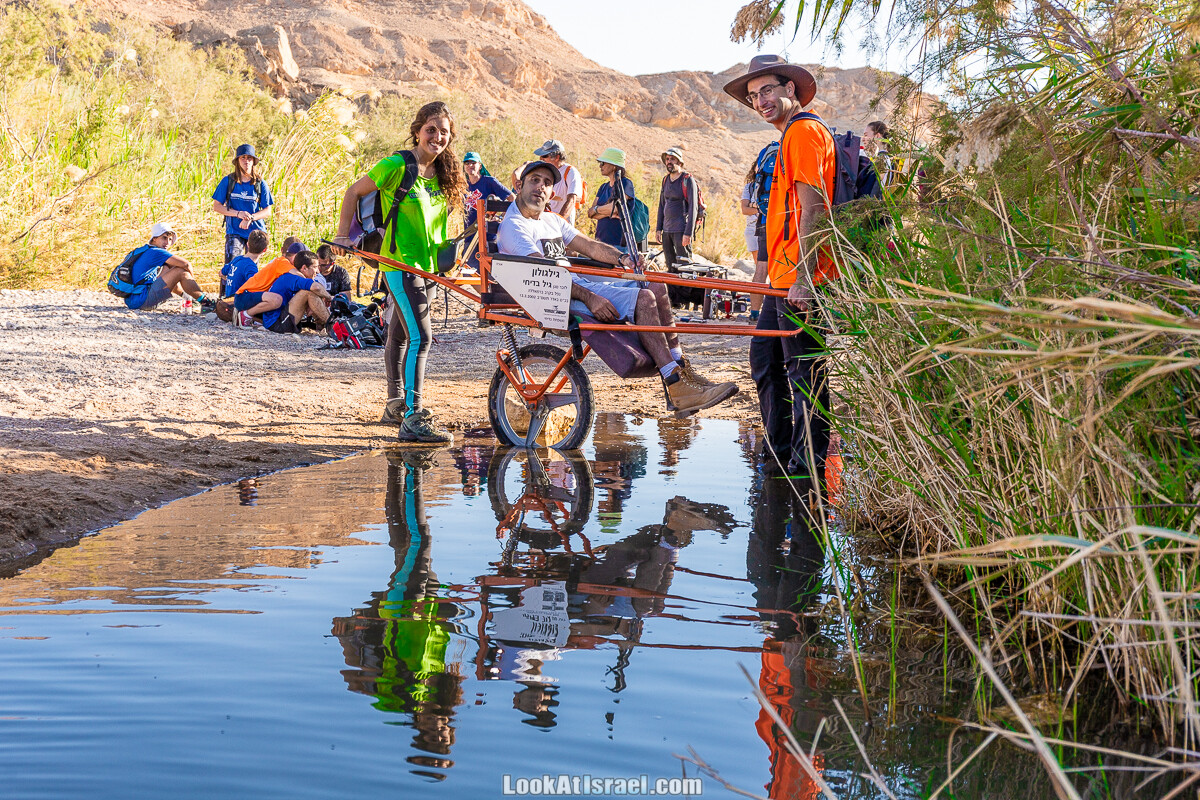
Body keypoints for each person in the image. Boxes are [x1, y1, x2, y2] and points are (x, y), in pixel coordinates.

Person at [495, 160, 737, 417]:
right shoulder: (515, 226)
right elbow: (546, 275)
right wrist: (590, 298)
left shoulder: (551, 220)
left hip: (573, 283)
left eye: (547, 183)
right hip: (549, 295)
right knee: (643, 299)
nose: (540, 187)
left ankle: (681, 368)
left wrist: (622, 259)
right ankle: (676, 386)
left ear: (553, 192)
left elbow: (589, 245)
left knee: (655, 284)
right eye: (535, 180)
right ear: (519, 185)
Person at [723, 54, 838, 484]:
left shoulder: (804, 133)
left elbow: (815, 208)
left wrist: (806, 281)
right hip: (783, 277)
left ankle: (808, 468)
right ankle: (779, 456)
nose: (760, 101)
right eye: (753, 96)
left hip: (804, 279)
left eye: (767, 90)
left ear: (790, 89)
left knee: (804, 373)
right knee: (766, 359)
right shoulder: (790, 136)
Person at [334, 101, 465, 443]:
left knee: (400, 334)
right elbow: (353, 192)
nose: (437, 137)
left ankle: (395, 405)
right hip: (399, 264)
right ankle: (414, 416)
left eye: (444, 132)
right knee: (422, 336)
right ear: (418, 130)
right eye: (431, 130)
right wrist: (341, 235)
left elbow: (435, 228)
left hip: (430, 269)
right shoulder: (397, 165)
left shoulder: (443, 175)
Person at [212, 143, 274, 294]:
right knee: (232, 263)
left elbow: (267, 210)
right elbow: (217, 206)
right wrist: (238, 214)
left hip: (255, 232)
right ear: (237, 161)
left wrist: (251, 218)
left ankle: (247, 297)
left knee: (250, 267)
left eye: (249, 158)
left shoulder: (260, 183)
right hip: (235, 229)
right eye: (243, 158)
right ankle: (225, 298)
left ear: (254, 161)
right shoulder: (229, 181)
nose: (246, 161)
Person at [118, 222, 215, 312]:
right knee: (181, 271)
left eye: (170, 239)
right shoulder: (156, 252)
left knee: (169, 269)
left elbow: (170, 276)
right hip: (142, 300)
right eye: (164, 238)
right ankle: (206, 302)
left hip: (132, 301)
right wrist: (191, 281)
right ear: (154, 238)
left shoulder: (144, 250)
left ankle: (188, 297)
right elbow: (186, 264)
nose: (167, 242)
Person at [233, 238, 305, 326]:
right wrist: (313, 284)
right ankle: (246, 315)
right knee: (277, 300)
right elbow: (300, 277)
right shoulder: (282, 262)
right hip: (244, 295)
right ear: (295, 256)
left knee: (278, 301)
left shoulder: (283, 263)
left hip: (250, 296)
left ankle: (250, 316)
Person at [461, 152, 513, 270]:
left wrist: (502, 218)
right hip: (470, 235)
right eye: (467, 163)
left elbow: (511, 198)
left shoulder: (489, 182)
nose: (470, 165)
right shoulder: (463, 185)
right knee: (468, 270)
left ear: (480, 165)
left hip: (487, 236)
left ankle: (490, 289)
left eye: (473, 163)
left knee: (490, 272)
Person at [260, 250, 331, 334]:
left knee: (312, 291)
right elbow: (316, 287)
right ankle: (332, 324)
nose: (318, 271)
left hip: (282, 318)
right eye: (315, 267)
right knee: (308, 292)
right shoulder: (293, 277)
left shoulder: (295, 276)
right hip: (277, 324)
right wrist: (330, 297)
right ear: (304, 268)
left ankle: (323, 325)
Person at [748, 138, 780, 321]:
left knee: (761, 268)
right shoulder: (788, 148)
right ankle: (778, 313)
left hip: (764, 218)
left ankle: (754, 314)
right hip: (784, 219)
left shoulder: (765, 153)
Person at [655, 147, 699, 268]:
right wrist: (658, 229)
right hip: (667, 231)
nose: (669, 162)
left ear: (679, 162)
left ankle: (686, 288)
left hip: (681, 230)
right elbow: (661, 205)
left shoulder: (687, 180)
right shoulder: (665, 180)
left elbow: (693, 208)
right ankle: (673, 288)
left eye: (672, 159)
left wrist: (688, 233)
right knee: (670, 267)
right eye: (667, 159)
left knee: (685, 267)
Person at [587, 147, 637, 251]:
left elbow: (616, 208)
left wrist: (597, 209)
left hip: (619, 244)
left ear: (614, 166)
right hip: (600, 242)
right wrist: (610, 213)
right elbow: (590, 214)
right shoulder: (603, 187)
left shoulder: (626, 184)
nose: (600, 166)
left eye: (603, 163)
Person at [533, 139, 583, 227]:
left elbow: (571, 200)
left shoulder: (571, 172)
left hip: (562, 227)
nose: (541, 159)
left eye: (545, 156)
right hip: (544, 223)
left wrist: (558, 223)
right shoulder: (545, 173)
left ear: (557, 157)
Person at [223, 230, 269, 298]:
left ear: (247, 244)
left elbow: (221, 273)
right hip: (237, 301)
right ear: (264, 250)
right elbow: (256, 287)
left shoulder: (237, 259)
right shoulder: (251, 266)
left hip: (228, 297)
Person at [862, 120, 894, 187]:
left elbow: (874, 187)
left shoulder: (882, 159)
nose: (863, 139)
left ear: (877, 136)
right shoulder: (883, 158)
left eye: (866, 135)